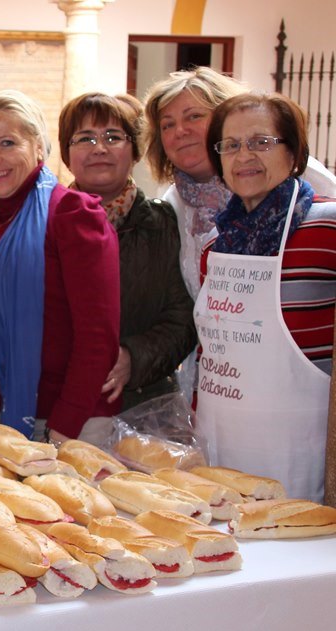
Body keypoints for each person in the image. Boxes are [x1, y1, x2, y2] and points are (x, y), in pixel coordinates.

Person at [0, 90, 120, 447]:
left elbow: (98, 337)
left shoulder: (73, 215)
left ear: (38, 146)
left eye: (7, 143)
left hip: (65, 422)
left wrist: (63, 426)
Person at [143, 67, 336, 397]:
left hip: (303, 397)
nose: (180, 131)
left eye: (193, 116)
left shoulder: (315, 202)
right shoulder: (176, 210)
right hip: (221, 386)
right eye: (168, 125)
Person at [196, 92, 336, 502]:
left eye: (261, 142)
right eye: (231, 145)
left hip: (302, 453)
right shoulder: (216, 245)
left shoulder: (327, 227)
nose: (245, 156)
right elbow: (211, 352)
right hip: (221, 448)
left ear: (294, 153)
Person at [58, 92, 196, 410]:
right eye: (85, 138)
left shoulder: (163, 222)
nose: (100, 149)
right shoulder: (46, 223)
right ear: (67, 154)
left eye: (113, 137)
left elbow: (184, 319)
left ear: (134, 149)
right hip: (61, 402)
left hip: (142, 404)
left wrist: (133, 357)